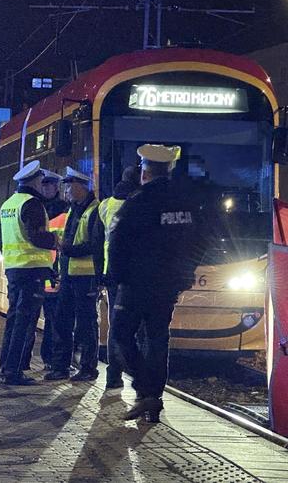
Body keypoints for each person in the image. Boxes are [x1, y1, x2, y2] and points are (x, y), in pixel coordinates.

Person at [108, 144, 201, 422]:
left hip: (136, 284)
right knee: (158, 337)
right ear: (169, 169)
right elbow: (201, 239)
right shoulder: (186, 202)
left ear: (144, 172)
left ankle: (146, 388)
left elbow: (117, 242)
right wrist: (187, 271)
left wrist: (116, 277)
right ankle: (154, 397)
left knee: (122, 335)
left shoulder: (139, 201)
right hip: (168, 285)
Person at [0, 160, 57, 385]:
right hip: (31, 270)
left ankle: (6, 366)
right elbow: (36, 236)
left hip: (13, 269)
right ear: (35, 181)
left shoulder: (8, 204)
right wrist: (55, 240)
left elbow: (2, 242)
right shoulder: (32, 204)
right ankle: (13, 372)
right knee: (25, 321)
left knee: (13, 319)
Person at [46, 167, 101, 382]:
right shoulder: (74, 209)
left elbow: (95, 245)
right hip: (68, 275)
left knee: (86, 324)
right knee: (62, 321)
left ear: (82, 187)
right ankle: (61, 367)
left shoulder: (94, 210)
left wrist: (68, 250)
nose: (66, 191)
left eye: (69, 186)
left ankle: (88, 368)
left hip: (86, 276)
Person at [92, 166, 140, 389]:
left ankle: (114, 375)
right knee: (141, 326)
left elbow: (98, 241)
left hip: (111, 271)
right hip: (134, 273)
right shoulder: (139, 203)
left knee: (116, 324)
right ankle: (140, 376)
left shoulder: (106, 205)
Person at [21, 170, 69, 371]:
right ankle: (24, 360)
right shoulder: (35, 207)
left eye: (51, 185)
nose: (48, 188)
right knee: (29, 320)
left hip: (53, 274)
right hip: (36, 271)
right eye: (45, 184)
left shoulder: (63, 211)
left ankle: (49, 359)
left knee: (53, 320)